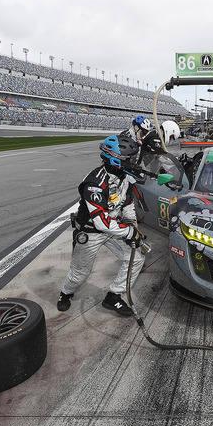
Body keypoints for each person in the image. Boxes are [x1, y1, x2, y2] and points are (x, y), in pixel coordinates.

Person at [57, 135, 146, 316]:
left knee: (137, 258)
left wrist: (132, 227)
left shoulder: (125, 177)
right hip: (90, 232)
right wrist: (128, 233)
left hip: (113, 228)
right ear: (115, 159)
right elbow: (101, 222)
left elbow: (128, 204)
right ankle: (65, 293)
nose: (134, 162)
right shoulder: (94, 183)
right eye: (130, 158)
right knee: (79, 275)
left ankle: (113, 297)